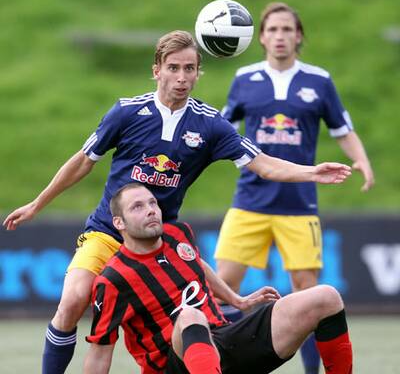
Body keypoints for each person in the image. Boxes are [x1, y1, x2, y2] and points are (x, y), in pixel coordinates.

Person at [2, 30, 351, 374]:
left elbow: (262, 163)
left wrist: (311, 172)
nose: (181, 77)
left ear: (198, 73)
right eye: (173, 68)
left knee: (191, 321)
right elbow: (83, 161)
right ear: (157, 70)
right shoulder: (126, 112)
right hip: (108, 233)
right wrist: (37, 204)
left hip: (160, 241)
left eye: (189, 69)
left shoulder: (210, 125)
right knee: (73, 300)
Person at [214, 2, 374, 374]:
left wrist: (362, 161)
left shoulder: (319, 80)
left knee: (307, 292)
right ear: (261, 37)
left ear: (299, 36)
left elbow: (342, 129)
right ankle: (221, 364)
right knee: (224, 287)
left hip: (299, 206)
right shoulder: (245, 78)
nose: (280, 36)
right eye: (272, 29)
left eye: (287, 29)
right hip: (249, 201)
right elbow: (222, 128)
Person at [84, 182, 353, 374]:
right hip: (172, 365)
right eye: (137, 207)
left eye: (152, 202)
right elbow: (99, 353)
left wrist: (237, 300)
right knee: (190, 316)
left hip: (222, 341)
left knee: (326, 297)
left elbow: (196, 263)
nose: (151, 210)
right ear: (119, 223)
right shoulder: (113, 279)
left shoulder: (178, 234)